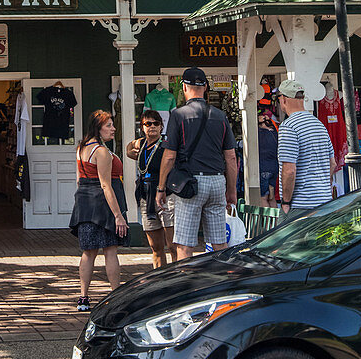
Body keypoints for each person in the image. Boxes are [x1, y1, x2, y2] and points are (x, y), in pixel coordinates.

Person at [157, 67, 237, 261]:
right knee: (219, 242)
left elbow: (169, 156)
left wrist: (161, 188)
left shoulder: (179, 115)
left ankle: (188, 285)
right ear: (206, 87)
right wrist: (232, 190)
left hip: (191, 184)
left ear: (184, 87)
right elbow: (231, 158)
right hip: (217, 181)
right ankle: (220, 283)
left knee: (185, 243)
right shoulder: (220, 116)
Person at [69, 110, 128, 313]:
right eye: (109, 125)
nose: (113, 129)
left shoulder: (81, 148)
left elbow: (79, 180)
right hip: (102, 205)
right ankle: (116, 295)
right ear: (98, 127)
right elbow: (105, 185)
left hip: (84, 203)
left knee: (88, 252)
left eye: (112, 125)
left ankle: (83, 297)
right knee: (110, 250)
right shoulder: (101, 152)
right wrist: (118, 216)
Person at [277, 79, 335, 217]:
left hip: (301, 205)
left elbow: (289, 170)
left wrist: (286, 202)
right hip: (323, 202)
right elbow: (332, 163)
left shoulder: (289, 127)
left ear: (284, 99)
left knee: (284, 239)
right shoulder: (319, 125)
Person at [127, 110, 176, 268]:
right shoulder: (141, 144)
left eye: (156, 123)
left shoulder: (166, 144)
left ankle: (177, 276)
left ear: (162, 126)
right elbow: (130, 145)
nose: (152, 127)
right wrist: (129, 151)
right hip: (146, 196)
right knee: (155, 246)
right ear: (142, 127)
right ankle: (160, 277)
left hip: (166, 196)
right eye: (148, 124)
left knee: (173, 244)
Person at [258, 110, 279, 207]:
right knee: (272, 197)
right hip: (274, 167)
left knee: (263, 197)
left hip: (263, 167)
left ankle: (267, 222)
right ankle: (275, 222)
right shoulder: (275, 133)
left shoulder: (259, 134)